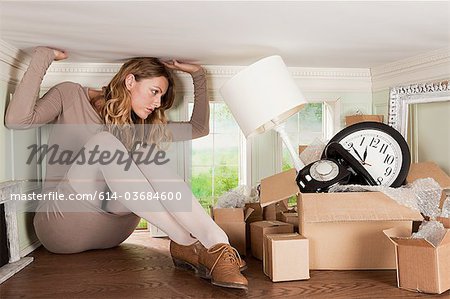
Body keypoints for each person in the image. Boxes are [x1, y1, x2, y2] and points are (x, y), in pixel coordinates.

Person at [5, 46, 248, 290]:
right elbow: (17, 120)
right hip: (62, 225)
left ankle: (216, 245)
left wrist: (199, 75)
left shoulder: (140, 125)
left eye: (161, 97)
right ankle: (186, 241)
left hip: (114, 232)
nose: (157, 102)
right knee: (105, 142)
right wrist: (42, 57)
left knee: (143, 150)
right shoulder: (70, 95)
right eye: (154, 92)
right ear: (130, 80)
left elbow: (198, 128)